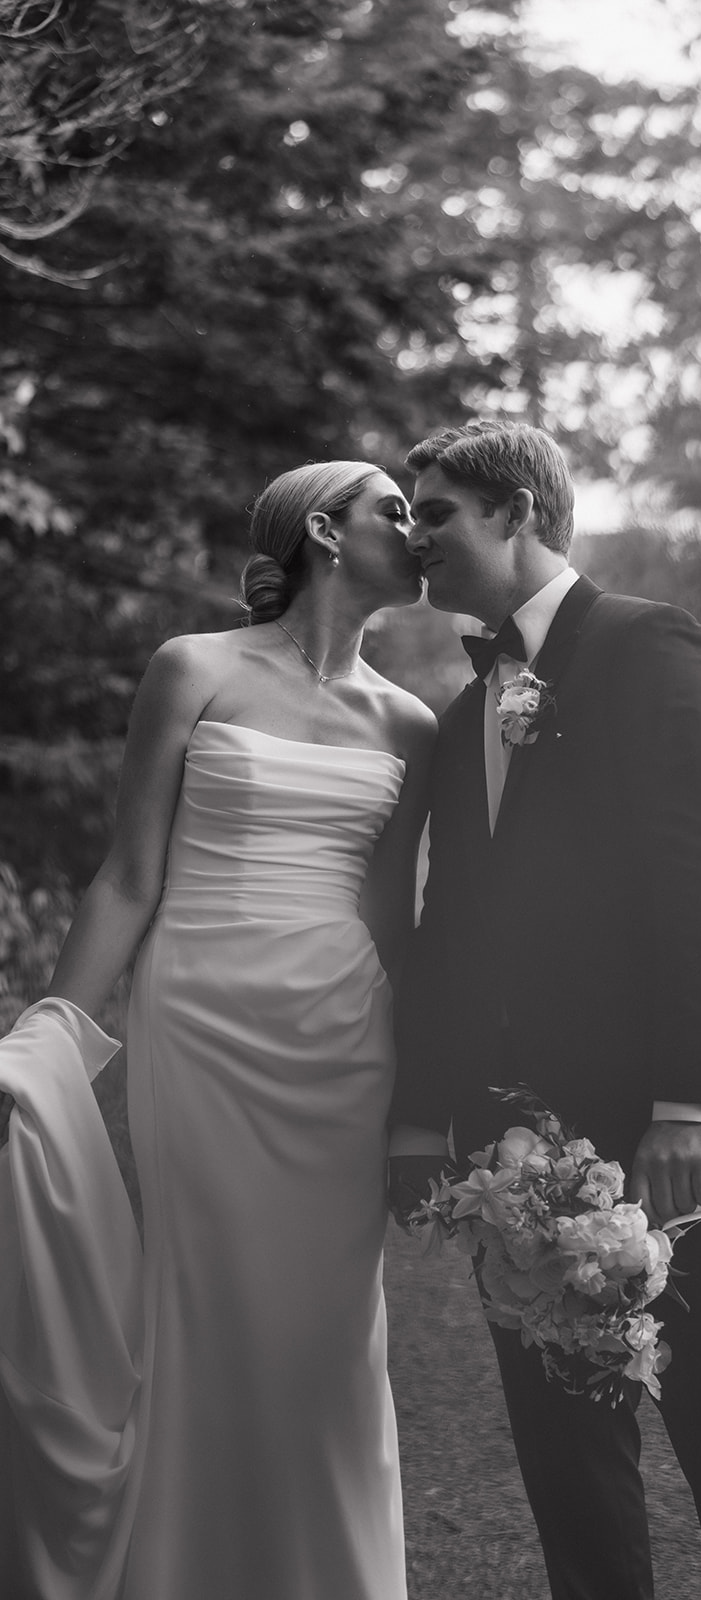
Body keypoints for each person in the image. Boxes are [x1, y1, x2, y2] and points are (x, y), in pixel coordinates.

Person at [388, 421, 701, 1600]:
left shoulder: (648, 644)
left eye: (435, 512)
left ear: (517, 510)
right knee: (564, 1461)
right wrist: (425, 1118)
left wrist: (691, 1103)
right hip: (510, 1142)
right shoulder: (466, 702)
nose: (411, 536)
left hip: (662, 1129)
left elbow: (699, 881)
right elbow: (455, 928)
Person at [0, 461, 435, 1600]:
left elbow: (393, 917)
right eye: (396, 508)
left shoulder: (414, 722)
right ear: (325, 530)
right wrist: (43, 1039)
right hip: (198, 1020)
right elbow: (129, 877)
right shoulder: (192, 667)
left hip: (345, 1041)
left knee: (331, 1338)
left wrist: (417, 1107)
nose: (419, 528)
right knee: (202, 1305)